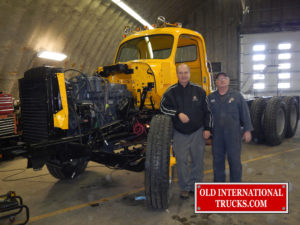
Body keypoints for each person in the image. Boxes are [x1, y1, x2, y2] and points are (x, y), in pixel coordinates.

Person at [160, 63, 211, 199]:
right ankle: (185, 187)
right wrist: (177, 114)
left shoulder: (199, 91)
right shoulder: (170, 92)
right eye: (180, 73)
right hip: (179, 133)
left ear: (189, 74)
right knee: (181, 161)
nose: (183, 75)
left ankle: (196, 185)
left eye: (185, 73)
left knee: (197, 160)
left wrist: (207, 128)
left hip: (197, 132)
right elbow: (163, 108)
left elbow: (208, 112)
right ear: (177, 75)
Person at [208, 72, 253, 182]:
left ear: (228, 81)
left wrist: (247, 130)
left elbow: (245, 114)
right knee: (218, 162)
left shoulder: (237, 96)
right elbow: (207, 116)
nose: (222, 81)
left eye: (224, 78)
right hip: (217, 136)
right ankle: (219, 188)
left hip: (233, 136)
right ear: (216, 83)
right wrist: (207, 130)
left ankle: (235, 187)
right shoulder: (211, 98)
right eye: (219, 79)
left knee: (235, 162)